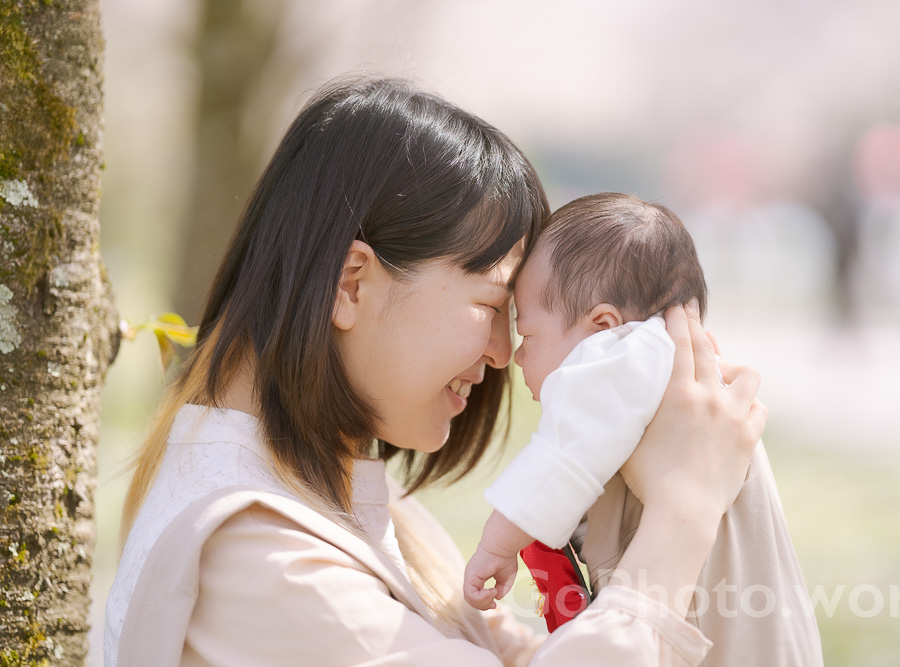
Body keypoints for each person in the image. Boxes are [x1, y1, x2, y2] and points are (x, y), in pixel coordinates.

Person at [104, 77, 767, 667]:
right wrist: (684, 508)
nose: (505, 354)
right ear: (351, 283)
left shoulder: (338, 499)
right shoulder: (259, 557)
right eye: (491, 304)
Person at [463, 193, 824, 665]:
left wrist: (498, 543)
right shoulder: (681, 378)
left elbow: (560, 461)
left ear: (604, 327)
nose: (516, 356)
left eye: (527, 334)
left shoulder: (621, 356)